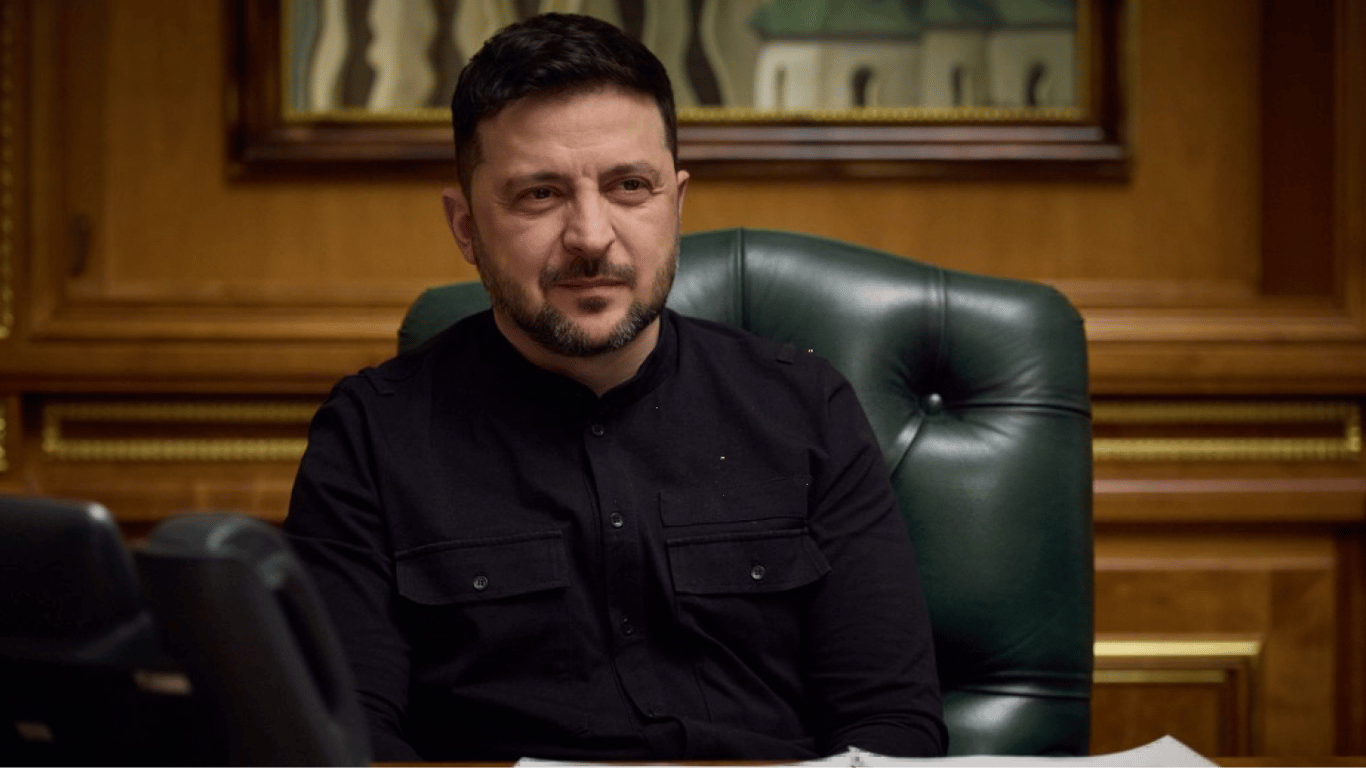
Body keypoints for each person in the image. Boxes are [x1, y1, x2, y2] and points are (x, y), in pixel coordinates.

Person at [283, 12, 946, 762]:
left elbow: (892, 724)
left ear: (676, 204)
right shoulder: (371, 435)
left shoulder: (806, 408)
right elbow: (349, 741)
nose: (591, 236)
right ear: (466, 226)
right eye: (539, 194)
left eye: (630, 186)